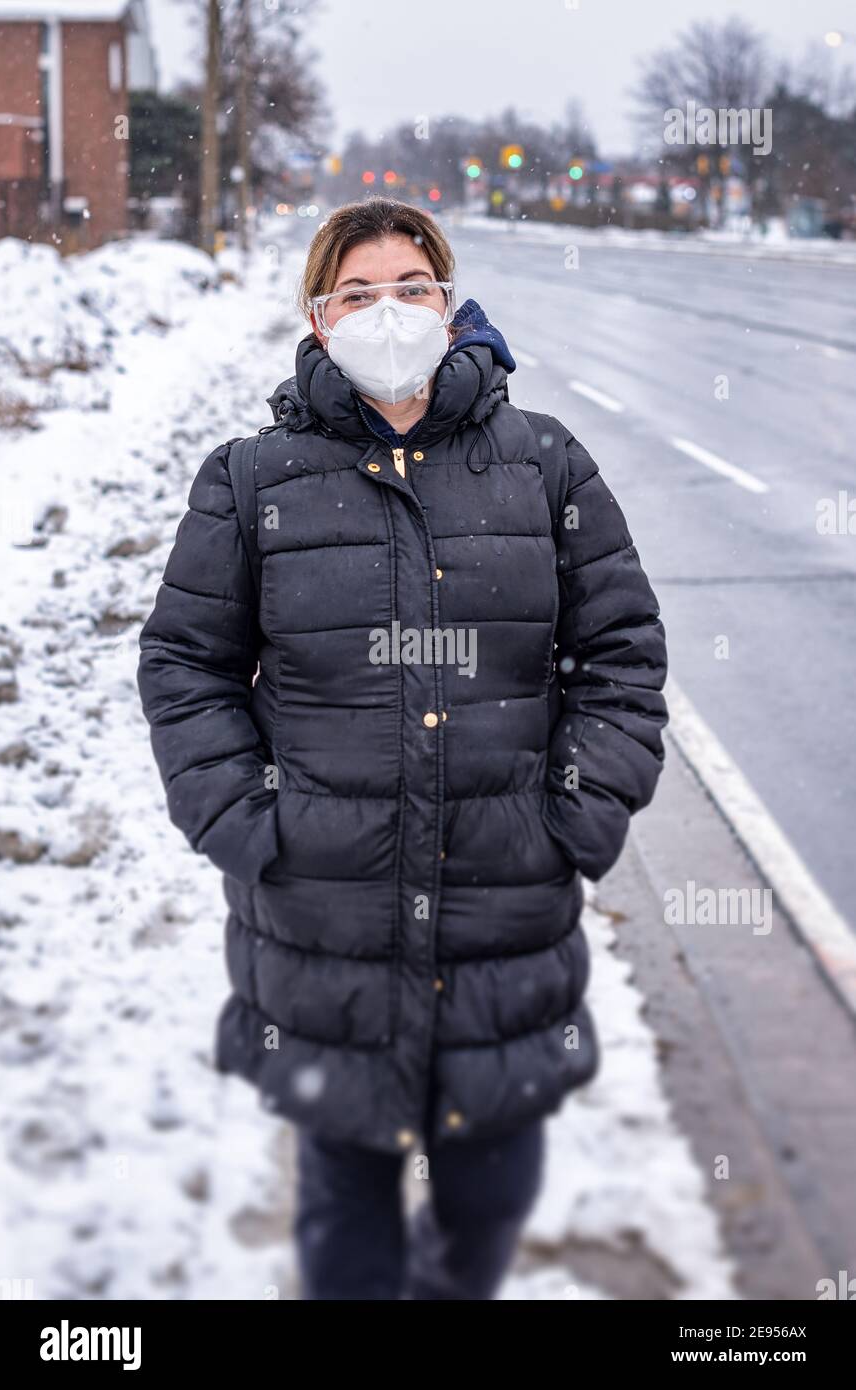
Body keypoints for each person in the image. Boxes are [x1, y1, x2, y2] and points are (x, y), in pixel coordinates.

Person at [137, 197, 668, 1300]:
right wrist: (245, 820)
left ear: (449, 300)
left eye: (410, 287)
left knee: (485, 1211)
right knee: (343, 1225)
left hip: (503, 921)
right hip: (323, 930)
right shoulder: (251, 479)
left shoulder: (543, 464)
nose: (388, 312)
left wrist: (577, 808)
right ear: (318, 320)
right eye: (356, 294)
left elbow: (618, 653)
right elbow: (185, 666)